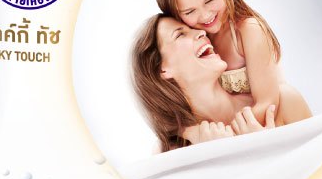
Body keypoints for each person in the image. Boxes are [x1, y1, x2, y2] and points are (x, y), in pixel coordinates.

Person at [131, 13, 311, 152]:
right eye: (180, 34)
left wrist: (269, 149)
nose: (201, 32)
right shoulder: (171, 150)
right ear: (162, 70)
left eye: (192, 28)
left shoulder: (283, 102)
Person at [155, 0, 283, 125]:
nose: (205, 15)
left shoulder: (247, 31)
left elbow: (268, 103)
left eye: (210, 0)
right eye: (190, 11)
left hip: (275, 121)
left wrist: (224, 136)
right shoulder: (195, 43)